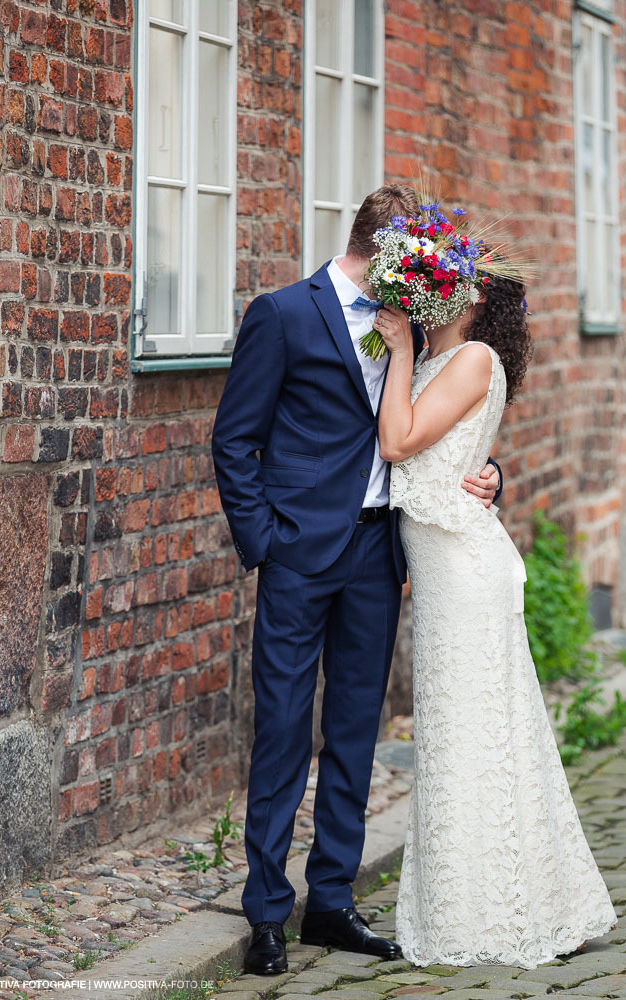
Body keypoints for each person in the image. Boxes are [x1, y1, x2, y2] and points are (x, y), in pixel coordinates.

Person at [210, 185, 502, 976]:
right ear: (384, 251)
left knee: (353, 732)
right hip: (300, 556)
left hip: (380, 555)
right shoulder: (282, 314)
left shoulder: (412, 320)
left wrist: (490, 474)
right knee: (280, 729)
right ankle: (267, 910)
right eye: (418, 266)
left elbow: (452, 423)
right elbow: (234, 440)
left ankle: (330, 902)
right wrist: (266, 542)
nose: (430, 285)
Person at [372, 276, 617, 969]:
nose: (425, 298)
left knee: (478, 730)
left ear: (476, 301)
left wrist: (394, 353)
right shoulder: (434, 358)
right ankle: (481, 898)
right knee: (462, 731)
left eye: (443, 285)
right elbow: (441, 454)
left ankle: (508, 904)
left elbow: (397, 441)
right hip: (446, 564)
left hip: (464, 571)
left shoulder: (473, 358)